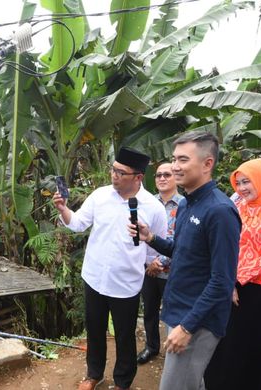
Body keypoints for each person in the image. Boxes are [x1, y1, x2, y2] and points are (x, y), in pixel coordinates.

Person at [128, 131, 241, 390]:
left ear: (207, 163)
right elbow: (183, 251)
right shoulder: (188, 203)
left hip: (197, 320)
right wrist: (152, 237)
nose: (175, 167)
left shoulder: (219, 211)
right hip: (179, 309)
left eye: (182, 160)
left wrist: (187, 327)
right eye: (173, 159)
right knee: (191, 382)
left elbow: (222, 281)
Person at [54, 147, 168, 390]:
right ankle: (94, 374)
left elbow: (156, 246)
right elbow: (78, 223)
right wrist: (64, 209)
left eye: (120, 172)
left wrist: (152, 263)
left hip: (126, 283)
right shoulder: (100, 195)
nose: (114, 175)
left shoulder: (153, 207)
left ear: (138, 177)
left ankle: (123, 381)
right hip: (94, 276)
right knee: (94, 329)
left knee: (125, 336)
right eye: (113, 169)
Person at [203, 159, 261, 390]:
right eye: (239, 182)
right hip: (226, 283)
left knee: (249, 343)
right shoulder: (234, 208)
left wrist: (237, 278)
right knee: (223, 340)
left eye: (247, 182)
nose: (242, 188)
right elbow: (223, 245)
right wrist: (226, 280)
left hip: (259, 288)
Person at [137, 162, 184, 365]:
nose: (162, 178)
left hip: (173, 270)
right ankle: (151, 347)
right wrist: (149, 263)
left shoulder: (184, 204)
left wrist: (161, 261)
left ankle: (174, 351)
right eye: (158, 175)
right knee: (149, 310)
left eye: (167, 175)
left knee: (173, 312)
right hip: (147, 269)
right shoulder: (148, 203)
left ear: (176, 178)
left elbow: (182, 240)